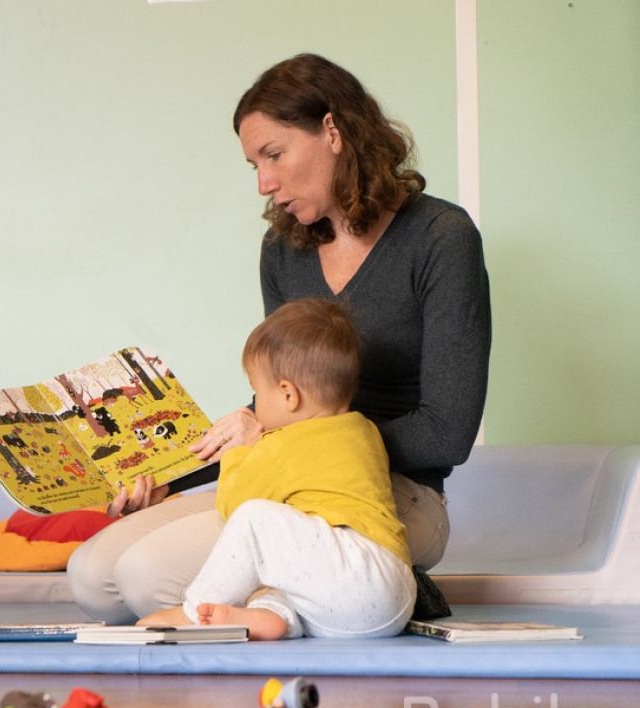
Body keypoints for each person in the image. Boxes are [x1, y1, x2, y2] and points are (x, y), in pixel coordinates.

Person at [68, 52, 491, 624]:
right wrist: (168, 476)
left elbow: (446, 435)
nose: (264, 184)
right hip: (284, 477)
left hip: (390, 492)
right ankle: (319, 597)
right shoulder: (283, 250)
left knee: (146, 578)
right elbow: (281, 399)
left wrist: (273, 441)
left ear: (332, 132)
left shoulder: (441, 238)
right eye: (254, 165)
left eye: (274, 154)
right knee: (93, 577)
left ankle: (366, 589)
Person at [136, 299, 413, 639]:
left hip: (359, 576)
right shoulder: (364, 430)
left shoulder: (282, 444)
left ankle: (194, 611)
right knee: (283, 576)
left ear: (288, 395)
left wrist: (240, 452)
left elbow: (233, 506)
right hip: (391, 591)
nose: (255, 403)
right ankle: (271, 615)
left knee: (254, 518)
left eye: (257, 392)